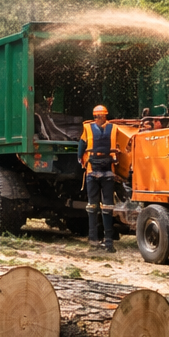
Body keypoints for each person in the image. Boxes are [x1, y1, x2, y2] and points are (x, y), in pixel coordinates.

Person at [77, 104, 118, 252]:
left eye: (98, 116)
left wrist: (81, 160)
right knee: (95, 207)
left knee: (104, 207)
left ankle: (106, 242)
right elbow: (81, 148)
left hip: (101, 172)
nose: (97, 118)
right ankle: (96, 241)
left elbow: (81, 147)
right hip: (98, 171)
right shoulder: (109, 128)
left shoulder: (111, 128)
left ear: (103, 116)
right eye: (96, 116)